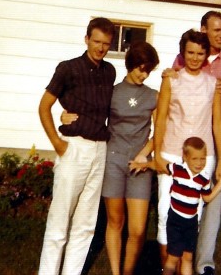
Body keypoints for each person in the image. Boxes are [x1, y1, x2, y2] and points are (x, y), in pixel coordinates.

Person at [63, 41, 160, 275]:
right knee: (115, 222)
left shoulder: (154, 96)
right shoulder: (113, 92)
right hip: (113, 161)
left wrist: (144, 155)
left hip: (140, 165)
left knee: (137, 230)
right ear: (130, 65)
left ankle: (128, 272)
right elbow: (91, 113)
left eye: (148, 70)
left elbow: (161, 132)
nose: (144, 74)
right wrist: (66, 115)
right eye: (140, 68)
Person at [171, 11, 221, 275]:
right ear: (203, 30)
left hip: (219, 130)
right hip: (189, 132)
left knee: (214, 194)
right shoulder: (189, 56)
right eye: (217, 30)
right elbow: (174, 83)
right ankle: (178, 257)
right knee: (182, 190)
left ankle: (204, 263)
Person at [37, 17, 116, 275]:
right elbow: (44, 105)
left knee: (86, 224)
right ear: (86, 40)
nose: (100, 48)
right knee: (60, 222)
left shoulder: (109, 71)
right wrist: (58, 144)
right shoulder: (68, 68)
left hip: (99, 150)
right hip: (74, 149)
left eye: (106, 43)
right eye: (96, 42)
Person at [153, 29, 221, 267]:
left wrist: (220, 162)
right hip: (172, 153)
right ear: (183, 53)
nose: (195, 58)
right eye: (190, 52)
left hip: (201, 158)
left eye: (200, 53)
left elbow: (217, 122)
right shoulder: (171, 79)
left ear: (206, 55)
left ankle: (184, 268)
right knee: (166, 213)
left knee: (191, 216)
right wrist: (157, 154)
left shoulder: (213, 84)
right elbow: (162, 117)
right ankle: (167, 267)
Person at [129, 137, 221, 275]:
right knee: (172, 258)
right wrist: (142, 165)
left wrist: (220, 184)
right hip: (176, 222)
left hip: (191, 223)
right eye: (195, 159)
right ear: (185, 157)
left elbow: (207, 197)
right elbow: (158, 165)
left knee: (188, 258)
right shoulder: (178, 169)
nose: (199, 163)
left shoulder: (203, 178)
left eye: (202, 159)